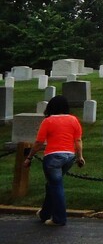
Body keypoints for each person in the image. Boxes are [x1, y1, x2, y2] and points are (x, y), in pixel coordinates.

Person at [23, 95, 85, 226]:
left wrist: (29, 157)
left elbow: (39, 142)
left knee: (56, 186)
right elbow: (78, 140)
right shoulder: (74, 120)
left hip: (53, 157)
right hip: (69, 156)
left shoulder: (48, 121)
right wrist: (80, 157)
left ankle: (59, 219)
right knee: (51, 184)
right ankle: (45, 213)